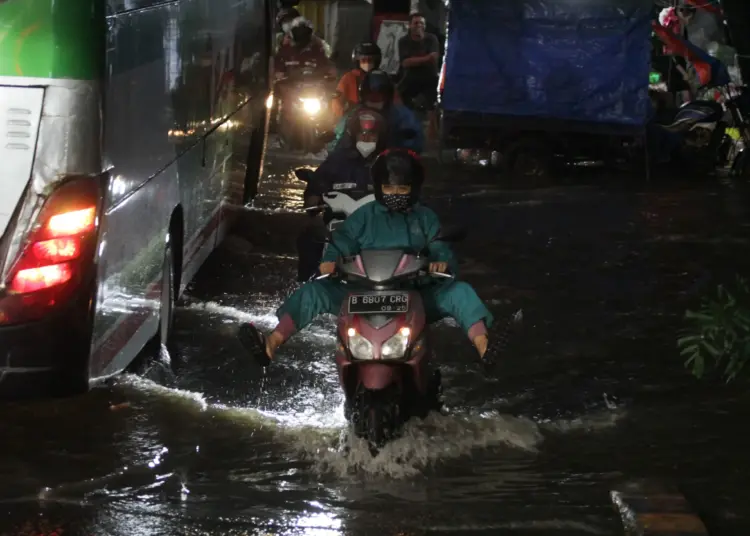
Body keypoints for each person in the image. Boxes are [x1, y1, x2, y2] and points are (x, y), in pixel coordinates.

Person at [239, 149, 498, 364]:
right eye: (389, 188)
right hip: (360, 293)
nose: (395, 194)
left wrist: (440, 263)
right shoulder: (364, 216)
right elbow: (341, 241)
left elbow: (440, 245)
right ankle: (272, 342)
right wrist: (329, 262)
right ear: (378, 187)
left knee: (459, 292)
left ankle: (484, 346)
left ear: (414, 188)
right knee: (313, 292)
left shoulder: (425, 218)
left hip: (415, 294)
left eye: (402, 188)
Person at [296, 109, 388, 281]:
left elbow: (407, 187)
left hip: (380, 223)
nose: (366, 139)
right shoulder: (336, 161)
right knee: (309, 237)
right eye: (363, 134)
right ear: (354, 136)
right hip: (339, 224)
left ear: (380, 137)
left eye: (372, 135)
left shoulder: (390, 162)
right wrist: (314, 196)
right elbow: (316, 187)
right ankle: (307, 284)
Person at [329, 70, 424, 153]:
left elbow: (416, 142)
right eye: (370, 95)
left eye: (379, 95)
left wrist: (401, 145)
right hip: (358, 165)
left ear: (388, 95)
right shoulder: (352, 115)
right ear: (363, 95)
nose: (374, 99)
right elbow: (337, 141)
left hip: (390, 163)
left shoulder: (402, 115)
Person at [397, 12, 440, 135]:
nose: (419, 25)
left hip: (429, 78)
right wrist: (426, 58)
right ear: (409, 25)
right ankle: (404, 128)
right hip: (410, 77)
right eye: (416, 23)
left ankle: (433, 135)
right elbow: (405, 63)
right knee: (398, 96)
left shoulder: (431, 39)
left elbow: (434, 58)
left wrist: (414, 60)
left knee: (433, 104)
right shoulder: (403, 41)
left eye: (422, 23)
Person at [333, 42, 383, 119]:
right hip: (354, 118)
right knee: (338, 130)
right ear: (357, 61)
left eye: (370, 60)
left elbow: (396, 102)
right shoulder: (349, 77)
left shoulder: (383, 77)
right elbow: (336, 100)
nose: (367, 63)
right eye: (363, 60)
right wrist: (342, 113)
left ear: (376, 61)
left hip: (379, 118)